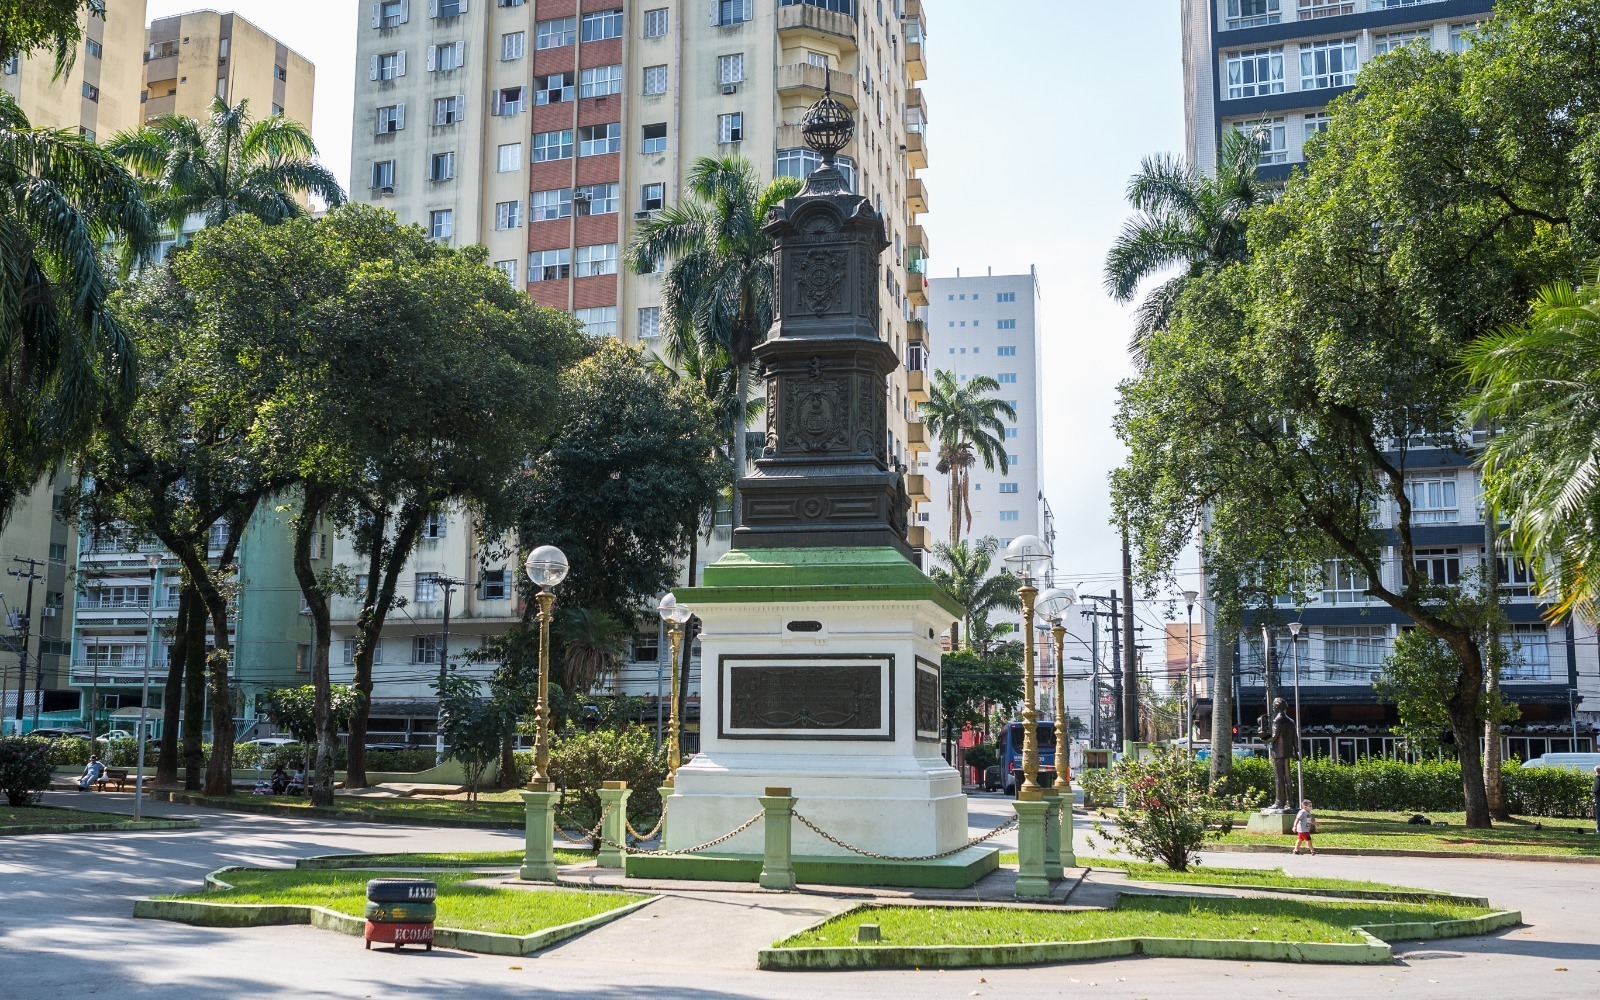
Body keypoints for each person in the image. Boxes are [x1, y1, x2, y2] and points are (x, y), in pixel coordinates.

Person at [1592, 765, 1599, 835]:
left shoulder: (1597, 778)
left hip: (1599, 796)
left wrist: (1593, 791)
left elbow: (1596, 788)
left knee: (1598, 813)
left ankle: (1598, 829)